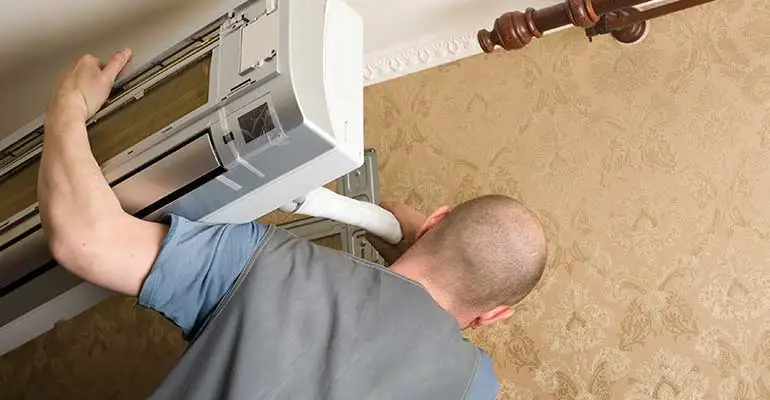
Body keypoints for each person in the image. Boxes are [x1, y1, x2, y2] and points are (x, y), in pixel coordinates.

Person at [39, 49, 548, 399]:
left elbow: (86, 238)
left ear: (435, 221)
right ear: (493, 316)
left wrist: (69, 101)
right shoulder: (475, 387)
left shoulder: (265, 262)